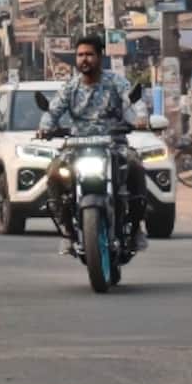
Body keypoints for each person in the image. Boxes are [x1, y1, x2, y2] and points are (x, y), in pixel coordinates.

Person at [38, 33, 148, 242]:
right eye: (80, 55)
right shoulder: (70, 87)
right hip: (77, 146)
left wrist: (141, 118)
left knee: (135, 166)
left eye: (89, 54)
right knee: (53, 172)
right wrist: (44, 128)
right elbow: (52, 111)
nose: (84, 59)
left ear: (99, 56)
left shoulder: (115, 82)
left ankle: (136, 227)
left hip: (113, 144)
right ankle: (66, 227)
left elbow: (133, 100)